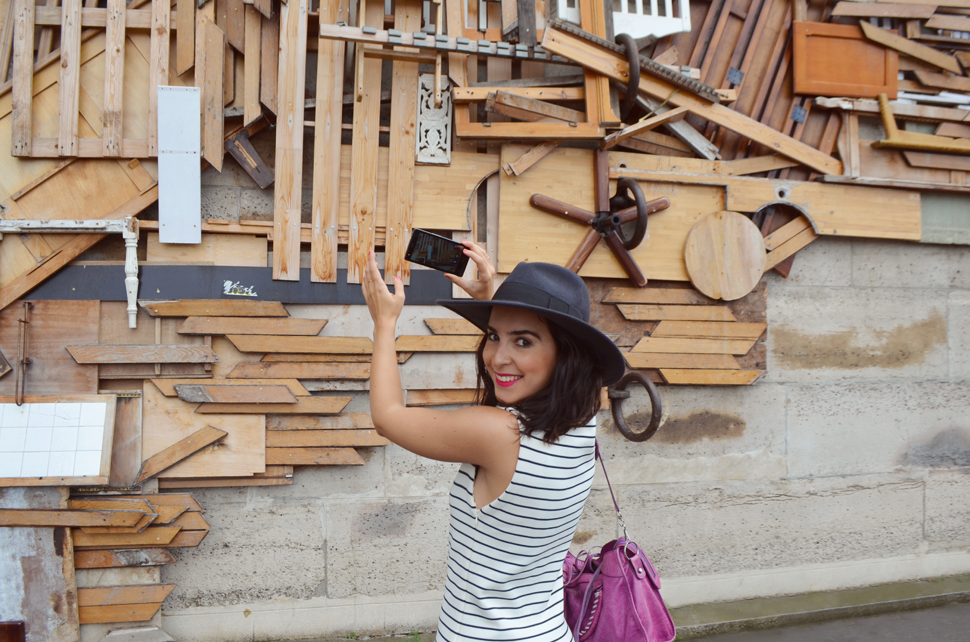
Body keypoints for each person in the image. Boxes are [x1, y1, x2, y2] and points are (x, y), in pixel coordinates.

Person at [361, 241, 625, 642]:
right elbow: (523, 370)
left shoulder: (499, 434)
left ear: (566, 355)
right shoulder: (583, 419)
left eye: (523, 341)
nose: (498, 357)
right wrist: (493, 301)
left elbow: (387, 417)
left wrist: (383, 324)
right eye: (492, 336)